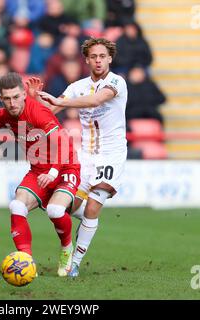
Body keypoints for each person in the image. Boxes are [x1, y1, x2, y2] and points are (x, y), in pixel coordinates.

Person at [0, 72, 80, 277]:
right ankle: (25, 261)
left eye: (16, 97)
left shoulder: (37, 112)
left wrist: (54, 171)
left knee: (55, 211)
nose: (12, 103)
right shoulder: (6, 115)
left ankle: (66, 249)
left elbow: (63, 143)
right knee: (16, 205)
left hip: (65, 166)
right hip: (39, 170)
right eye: (7, 99)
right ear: (1, 99)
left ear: (23, 95)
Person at [33, 37, 128, 277]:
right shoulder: (77, 86)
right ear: (86, 60)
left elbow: (96, 99)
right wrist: (32, 102)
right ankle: (87, 222)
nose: (98, 60)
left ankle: (73, 262)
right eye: (93, 56)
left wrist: (61, 104)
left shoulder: (117, 82)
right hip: (84, 156)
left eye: (102, 56)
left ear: (109, 59)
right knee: (61, 207)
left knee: (94, 206)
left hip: (111, 155)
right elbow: (50, 110)